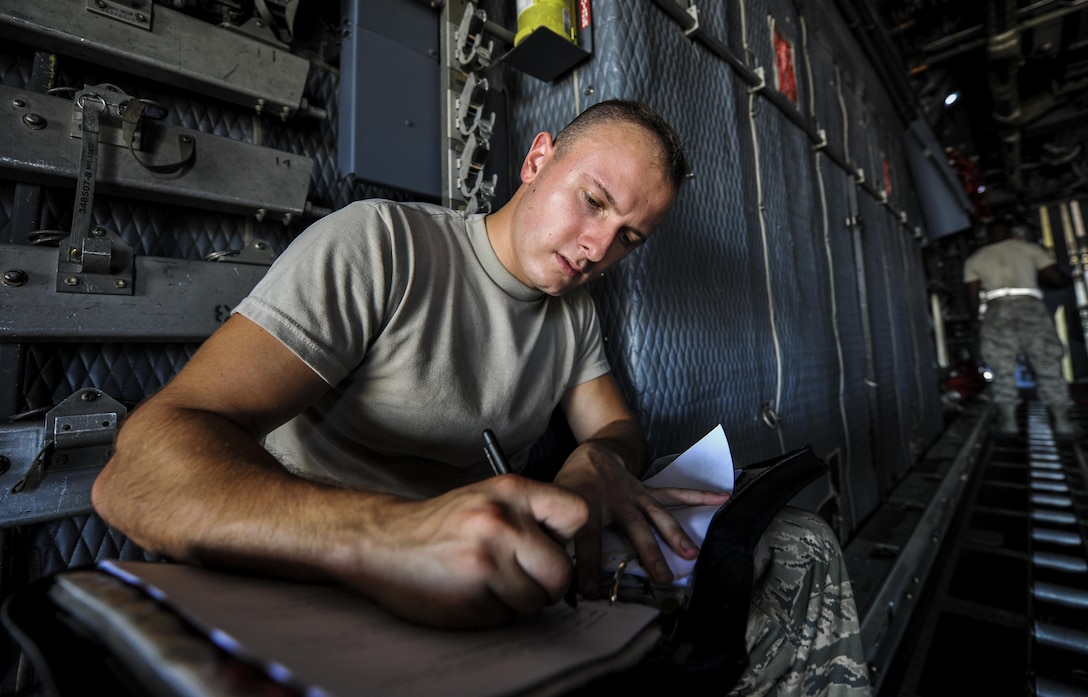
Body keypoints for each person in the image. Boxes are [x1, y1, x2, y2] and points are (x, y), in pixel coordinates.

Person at [92, 100, 870, 694]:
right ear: (537, 160)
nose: (601, 248)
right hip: (313, 574)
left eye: (630, 236)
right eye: (594, 201)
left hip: (463, 592)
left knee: (793, 544)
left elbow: (616, 425)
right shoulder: (383, 245)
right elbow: (139, 471)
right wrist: (390, 536)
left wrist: (600, 459)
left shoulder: (572, 312)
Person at [964, 217, 1074, 437]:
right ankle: (1062, 422)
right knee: (1046, 361)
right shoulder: (1029, 249)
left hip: (996, 309)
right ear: (1011, 233)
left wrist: (976, 318)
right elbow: (1053, 276)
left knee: (1001, 366)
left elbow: (973, 295)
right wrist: (1066, 280)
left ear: (988, 235)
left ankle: (1009, 422)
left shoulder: (976, 259)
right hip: (1029, 306)